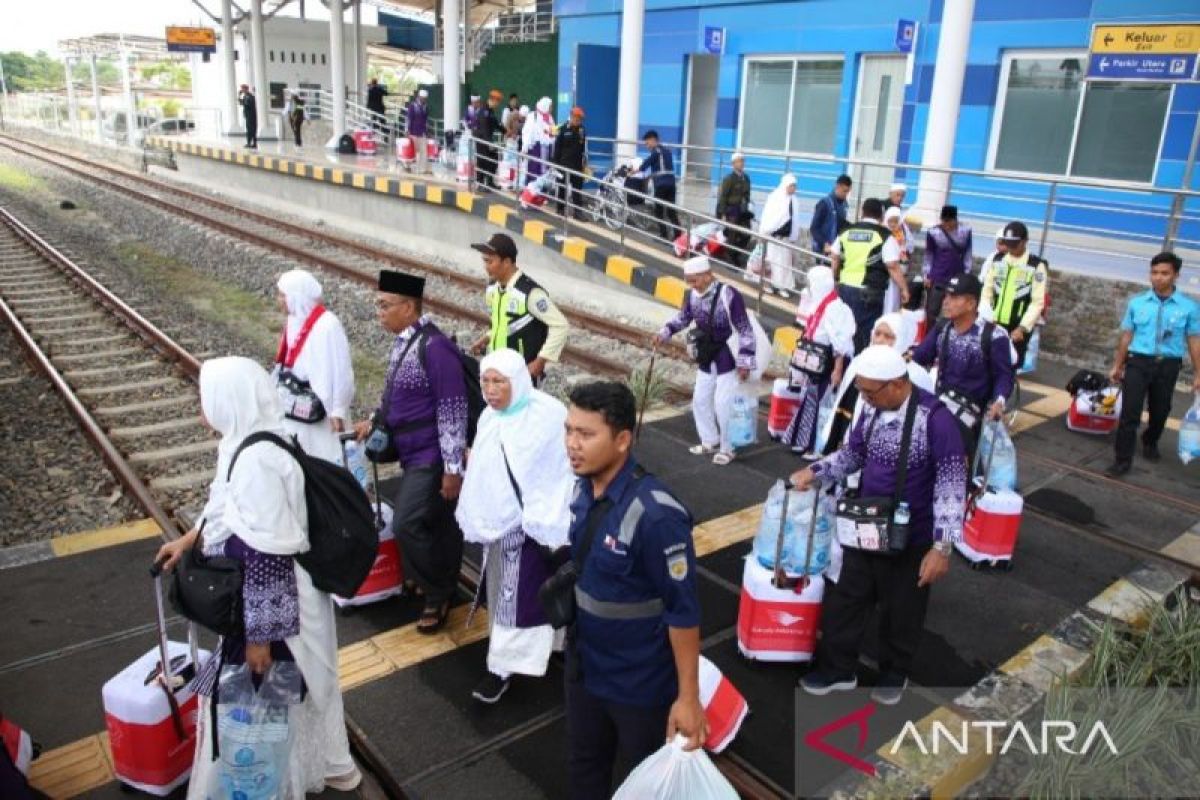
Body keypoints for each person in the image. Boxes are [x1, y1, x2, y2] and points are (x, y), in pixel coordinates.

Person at [156, 357, 362, 795]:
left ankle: (260, 787)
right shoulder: (250, 440)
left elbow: (268, 550)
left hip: (274, 608)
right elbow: (224, 504)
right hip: (273, 601)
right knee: (294, 697)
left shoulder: (256, 461)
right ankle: (323, 766)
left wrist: (259, 637)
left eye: (206, 398)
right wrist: (192, 538)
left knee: (261, 705)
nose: (201, 407)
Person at [791, 345, 966, 705]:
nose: (865, 400)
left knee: (902, 611)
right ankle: (838, 668)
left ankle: (894, 673)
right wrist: (816, 471)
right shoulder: (872, 411)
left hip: (911, 535)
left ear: (897, 385)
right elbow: (853, 454)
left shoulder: (936, 420)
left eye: (871, 392)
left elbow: (952, 485)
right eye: (863, 392)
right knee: (847, 601)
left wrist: (942, 547)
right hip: (866, 526)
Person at [563, 381, 706, 799]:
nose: (572, 444)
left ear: (623, 440)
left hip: (638, 684)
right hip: (585, 669)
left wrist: (688, 699)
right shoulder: (585, 487)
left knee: (643, 779)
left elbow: (684, 611)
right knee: (584, 766)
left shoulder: (657, 516)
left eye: (586, 434)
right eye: (569, 430)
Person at [455, 349, 573, 704]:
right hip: (502, 526)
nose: (491, 390)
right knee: (509, 600)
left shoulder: (549, 415)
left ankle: (532, 655)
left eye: (499, 382)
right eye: (486, 381)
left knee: (535, 594)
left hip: (539, 526)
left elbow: (561, 468)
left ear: (517, 381)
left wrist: (544, 514)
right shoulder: (490, 418)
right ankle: (503, 665)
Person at [353, 271, 468, 633]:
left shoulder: (435, 348)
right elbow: (396, 396)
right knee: (436, 522)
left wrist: (452, 468)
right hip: (412, 451)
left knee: (407, 522)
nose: (379, 311)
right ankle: (433, 579)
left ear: (408, 306)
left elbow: (452, 408)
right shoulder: (406, 342)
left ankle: (438, 591)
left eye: (385, 305)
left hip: (432, 456)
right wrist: (374, 420)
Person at [654, 255, 756, 466]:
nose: (692, 285)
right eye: (688, 280)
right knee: (700, 400)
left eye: (695, 280)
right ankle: (709, 440)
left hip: (728, 356)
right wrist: (664, 333)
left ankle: (729, 448)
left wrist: (745, 362)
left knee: (723, 404)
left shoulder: (729, 295)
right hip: (707, 354)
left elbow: (745, 329)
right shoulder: (692, 295)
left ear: (708, 275)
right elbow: (683, 318)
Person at [1107, 252, 1200, 477]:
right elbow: (1127, 336)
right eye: (1155, 272)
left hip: (1168, 366)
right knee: (1130, 412)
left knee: (1160, 411)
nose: (1158, 278)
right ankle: (1122, 459)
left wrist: (1199, 373)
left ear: (1176, 275)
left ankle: (1150, 440)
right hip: (1138, 362)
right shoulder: (1138, 303)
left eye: (1165, 273)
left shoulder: (1188, 307)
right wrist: (1118, 366)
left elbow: (1194, 340)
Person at [911, 273, 1015, 454]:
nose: (946, 301)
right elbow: (919, 357)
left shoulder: (994, 336)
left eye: (954, 297)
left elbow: (1004, 376)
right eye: (946, 295)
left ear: (971, 304)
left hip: (970, 411)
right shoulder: (942, 327)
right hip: (939, 401)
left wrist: (999, 402)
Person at [820, 312, 933, 455]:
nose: (880, 340)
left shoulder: (915, 375)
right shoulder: (860, 362)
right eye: (877, 334)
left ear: (903, 339)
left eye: (888, 336)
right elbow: (842, 402)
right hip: (851, 444)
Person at [273, 269, 355, 465]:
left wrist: (338, 410)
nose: (279, 300)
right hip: (296, 406)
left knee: (326, 458)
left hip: (322, 411)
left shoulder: (328, 325)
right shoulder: (293, 321)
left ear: (296, 297)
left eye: (283, 295)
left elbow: (341, 371)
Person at [469, 233, 570, 383]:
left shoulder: (530, 293)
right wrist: (488, 336)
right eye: (484, 261)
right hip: (497, 369)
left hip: (521, 375)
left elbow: (561, 325)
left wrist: (540, 362)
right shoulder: (493, 288)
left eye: (489, 262)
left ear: (507, 262)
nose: (486, 267)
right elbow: (506, 322)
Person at [782, 265, 855, 456]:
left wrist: (837, 370)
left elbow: (841, 343)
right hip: (815, 361)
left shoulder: (836, 308)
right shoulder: (820, 303)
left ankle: (817, 446)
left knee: (823, 405)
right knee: (810, 400)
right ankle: (803, 440)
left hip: (829, 362)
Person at [833, 197, 908, 353]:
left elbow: (835, 256)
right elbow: (893, 266)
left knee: (843, 330)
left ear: (862, 212)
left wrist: (835, 279)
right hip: (869, 293)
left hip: (844, 289)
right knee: (864, 336)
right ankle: (858, 369)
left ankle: (841, 366)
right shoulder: (884, 235)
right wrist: (904, 289)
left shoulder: (846, 231)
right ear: (881, 216)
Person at [978, 221, 1048, 370]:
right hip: (994, 323)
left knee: (1007, 368)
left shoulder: (1036, 265)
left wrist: (1022, 328)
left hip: (1017, 328)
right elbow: (987, 291)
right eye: (1008, 244)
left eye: (1014, 244)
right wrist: (986, 316)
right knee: (984, 365)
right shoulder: (998, 260)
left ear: (1024, 242)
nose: (1010, 248)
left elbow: (1037, 302)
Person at [923, 205, 973, 326]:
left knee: (954, 310)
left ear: (955, 219)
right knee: (932, 311)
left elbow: (968, 253)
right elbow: (929, 254)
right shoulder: (934, 232)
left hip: (957, 276)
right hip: (937, 275)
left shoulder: (965, 232)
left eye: (949, 221)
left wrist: (966, 274)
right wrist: (926, 275)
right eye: (944, 221)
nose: (947, 225)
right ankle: (929, 338)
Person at [757, 174, 801, 298]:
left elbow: (795, 220)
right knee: (771, 262)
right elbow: (767, 216)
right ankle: (768, 285)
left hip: (785, 238)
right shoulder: (774, 197)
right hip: (773, 237)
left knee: (784, 265)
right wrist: (763, 232)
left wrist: (793, 236)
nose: (793, 188)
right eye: (791, 185)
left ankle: (781, 286)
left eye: (794, 186)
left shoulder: (794, 200)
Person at [638, 130, 681, 244]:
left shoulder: (656, 152)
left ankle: (664, 235)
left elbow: (646, 163)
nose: (647, 146)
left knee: (659, 211)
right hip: (671, 184)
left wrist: (633, 171)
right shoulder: (667, 151)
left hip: (661, 185)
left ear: (653, 140)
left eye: (647, 143)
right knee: (671, 211)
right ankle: (678, 235)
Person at [716, 152, 753, 268]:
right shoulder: (729, 179)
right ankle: (730, 259)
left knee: (747, 234)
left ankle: (735, 254)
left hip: (743, 211)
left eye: (742, 161)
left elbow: (747, 195)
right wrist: (722, 213)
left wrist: (748, 206)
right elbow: (723, 197)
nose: (741, 163)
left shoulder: (746, 178)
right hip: (732, 210)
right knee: (732, 235)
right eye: (739, 161)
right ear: (733, 164)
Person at [552, 106, 587, 218]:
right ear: (571, 117)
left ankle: (578, 212)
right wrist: (555, 164)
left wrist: (584, 164)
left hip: (577, 165)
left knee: (577, 189)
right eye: (577, 118)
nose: (578, 120)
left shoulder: (582, 130)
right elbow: (557, 147)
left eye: (580, 119)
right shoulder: (563, 129)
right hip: (564, 164)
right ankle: (560, 208)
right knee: (562, 188)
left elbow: (583, 148)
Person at [809, 174, 852, 258]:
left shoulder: (844, 204)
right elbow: (814, 228)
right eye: (844, 191)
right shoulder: (824, 203)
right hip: (823, 250)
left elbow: (841, 223)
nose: (846, 194)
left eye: (848, 192)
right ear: (837, 186)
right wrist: (824, 244)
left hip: (835, 249)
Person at [882, 206, 913, 315]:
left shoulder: (902, 233)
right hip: (886, 273)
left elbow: (907, 248)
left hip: (898, 273)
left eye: (896, 221)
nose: (893, 224)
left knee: (894, 300)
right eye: (890, 221)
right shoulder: (883, 233)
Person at [473, 90, 504, 189]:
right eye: (497, 102)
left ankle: (490, 181)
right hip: (482, 141)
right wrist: (489, 143)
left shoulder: (490, 111)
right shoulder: (483, 111)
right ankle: (480, 183)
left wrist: (505, 131)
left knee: (493, 159)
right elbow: (484, 128)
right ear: (493, 100)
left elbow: (496, 123)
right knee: (482, 161)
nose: (498, 105)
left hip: (488, 141)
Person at [522, 97, 556, 186]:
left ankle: (542, 191)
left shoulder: (549, 117)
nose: (551, 108)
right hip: (536, 148)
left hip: (547, 148)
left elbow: (553, 130)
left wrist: (553, 134)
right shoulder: (533, 116)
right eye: (550, 106)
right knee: (535, 170)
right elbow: (527, 132)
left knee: (544, 170)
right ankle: (532, 190)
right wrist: (525, 147)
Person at [406, 89, 431, 175]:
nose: (424, 100)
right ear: (419, 97)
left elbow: (426, 120)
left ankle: (422, 169)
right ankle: (408, 166)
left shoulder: (425, 107)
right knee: (414, 151)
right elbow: (409, 119)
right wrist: (407, 130)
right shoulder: (413, 106)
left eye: (425, 98)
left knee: (424, 150)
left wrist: (427, 130)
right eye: (423, 98)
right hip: (413, 132)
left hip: (422, 132)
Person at [238, 84, 257, 149]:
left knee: (251, 129)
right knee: (249, 129)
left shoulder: (250, 96)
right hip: (248, 115)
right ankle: (249, 143)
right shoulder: (245, 96)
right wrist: (239, 96)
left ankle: (253, 143)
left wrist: (243, 101)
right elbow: (241, 103)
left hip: (251, 115)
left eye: (243, 89)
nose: (242, 90)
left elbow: (247, 104)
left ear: (246, 89)